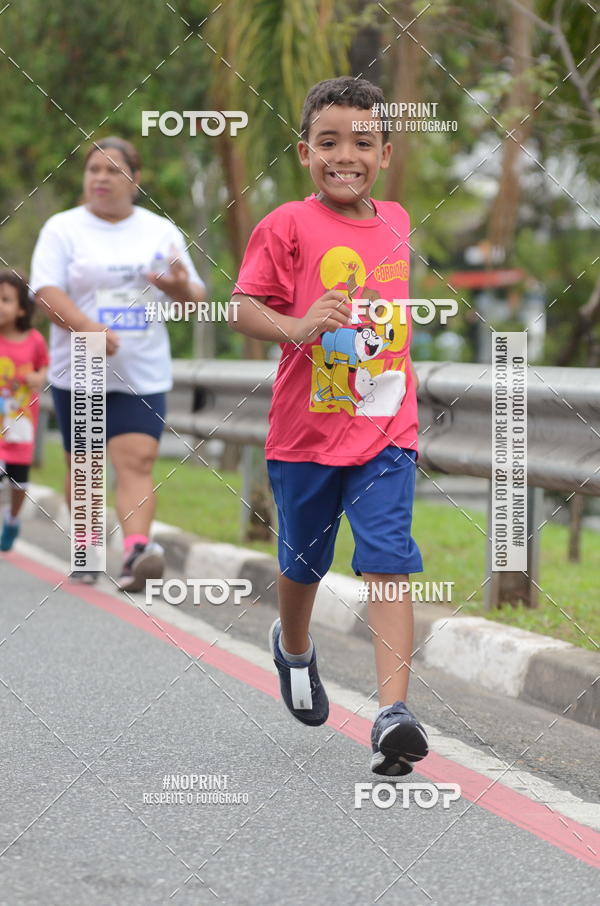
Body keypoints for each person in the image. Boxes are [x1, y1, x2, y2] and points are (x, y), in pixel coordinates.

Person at [229, 77, 429, 775]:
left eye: (363, 143)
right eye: (329, 142)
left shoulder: (398, 220)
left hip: (386, 430)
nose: (346, 156)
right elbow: (242, 308)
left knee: (388, 557)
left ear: (385, 153)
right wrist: (298, 325)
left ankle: (394, 713)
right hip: (305, 435)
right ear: (304, 151)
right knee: (303, 563)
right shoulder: (286, 223)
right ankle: (292, 648)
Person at [30, 136, 206, 590]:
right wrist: (87, 327)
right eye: (94, 169)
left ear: (135, 179)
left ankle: (135, 552)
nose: (102, 178)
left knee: (138, 460)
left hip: (141, 370)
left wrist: (179, 288)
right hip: (80, 368)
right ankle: (87, 546)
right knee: (85, 464)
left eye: (114, 170)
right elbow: (46, 292)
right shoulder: (62, 229)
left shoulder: (159, 230)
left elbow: (195, 297)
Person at [0, 271, 48, 551]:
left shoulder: (34, 340)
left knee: (19, 482)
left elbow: (44, 367)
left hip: (21, 423)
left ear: (21, 309)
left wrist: (38, 378)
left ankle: (13, 519)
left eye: (5, 299)